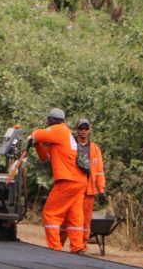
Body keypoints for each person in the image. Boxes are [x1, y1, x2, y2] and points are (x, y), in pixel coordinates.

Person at [28, 108, 88, 253]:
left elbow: (37, 133)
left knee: (50, 213)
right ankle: (77, 247)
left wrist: (33, 137)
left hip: (67, 180)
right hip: (79, 181)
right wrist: (37, 144)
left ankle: (55, 248)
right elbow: (45, 156)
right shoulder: (64, 138)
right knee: (75, 216)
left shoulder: (59, 130)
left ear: (51, 120)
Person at [60, 118, 106, 252]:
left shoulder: (95, 149)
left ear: (89, 130)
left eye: (86, 128)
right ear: (77, 130)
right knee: (66, 219)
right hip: (72, 188)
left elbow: (99, 171)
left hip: (88, 190)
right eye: (81, 128)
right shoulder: (71, 145)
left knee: (85, 223)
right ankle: (58, 244)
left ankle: (81, 247)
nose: (84, 131)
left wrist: (101, 190)